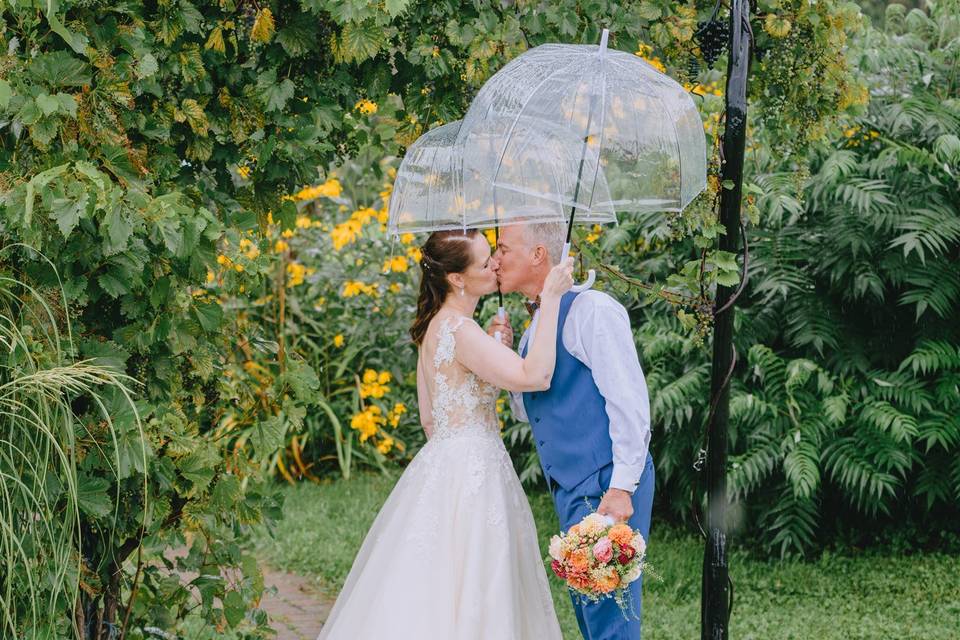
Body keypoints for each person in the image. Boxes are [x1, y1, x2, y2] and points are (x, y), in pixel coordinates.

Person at [318, 228, 573, 639]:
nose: (495, 264)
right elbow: (536, 375)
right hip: (476, 472)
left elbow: (430, 419)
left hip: (442, 466)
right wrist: (555, 297)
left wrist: (493, 346)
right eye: (484, 260)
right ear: (457, 278)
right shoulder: (461, 330)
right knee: (478, 583)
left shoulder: (437, 328)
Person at [489, 221, 655, 640]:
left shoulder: (592, 311)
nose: (496, 259)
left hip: (605, 480)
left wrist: (620, 488)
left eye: (503, 248)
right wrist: (508, 356)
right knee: (588, 607)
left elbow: (629, 405)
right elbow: (532, 411)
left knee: (609, 616)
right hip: (569, 486)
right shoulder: (535, 329)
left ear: (538, 255)